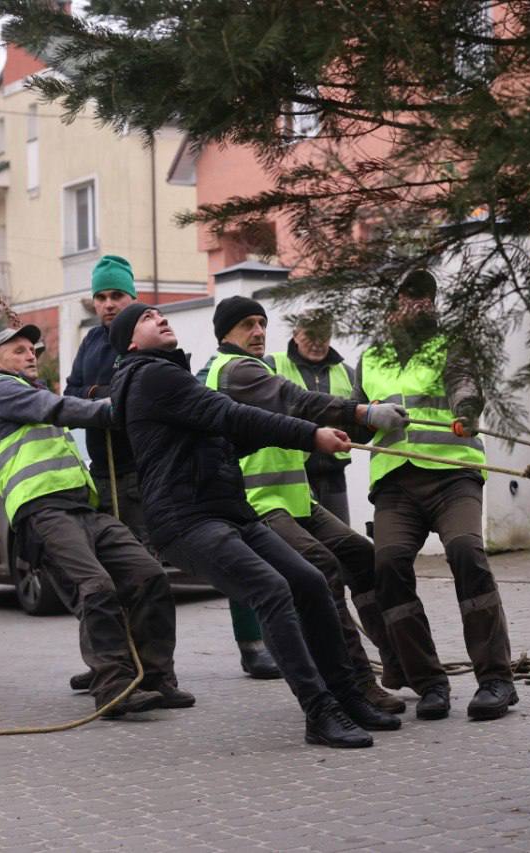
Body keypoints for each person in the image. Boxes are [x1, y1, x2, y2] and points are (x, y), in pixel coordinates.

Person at [107, 302, 401, 747]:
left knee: (310, 581)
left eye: (159, 313)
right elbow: (232, 416)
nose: (160, 318)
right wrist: (311, 434)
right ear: (130, 343)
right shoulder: (151, 375)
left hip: (227, 511)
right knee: (272, 589)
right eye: (147, 318)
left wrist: (301, 433)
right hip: (186, 520)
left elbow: (226, 438)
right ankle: (320, 711)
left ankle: (348, 695)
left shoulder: (168, 377)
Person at [63, 255, 279, 686]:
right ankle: (111, 662)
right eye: (101, 297)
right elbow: (71, 393)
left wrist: (106, 398)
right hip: (105, 476)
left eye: (117, 295)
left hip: (147, 475)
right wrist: (98, 397)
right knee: (106, 575)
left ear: (133, 298)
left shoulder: (149, 342)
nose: (108, 304)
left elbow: (144, 395)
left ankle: (192, 660)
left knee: (153, 573)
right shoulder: (90, 343)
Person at [0, 324, 190, 718]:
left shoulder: (30, 393)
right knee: (96, 588)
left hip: (81, 509)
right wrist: (110, 409)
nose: (30, 355)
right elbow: (60, 408)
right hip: (43, 512)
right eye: (18, 350)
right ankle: (114, 689)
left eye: (32, 350)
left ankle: (155, 678)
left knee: (149, 575)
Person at [206, 296, 407, 713]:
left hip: (297, 496)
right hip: (256, 503)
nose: (258, 332)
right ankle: (354, 683)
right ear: (225, 333)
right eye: (247, 324)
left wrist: (364, 421)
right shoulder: (235, 370)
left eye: (262, 323)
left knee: (360, 555)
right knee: (321, 569)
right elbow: (296, 400)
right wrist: (365, 412)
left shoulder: (263, 367)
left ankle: (398, 660)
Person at [354, 270, 517, 721]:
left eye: (427, 296)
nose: (421, 303)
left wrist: (467, 411)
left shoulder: (451, 345)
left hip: (452, 475)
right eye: (410, 295)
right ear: (390, 306)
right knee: (388, 565)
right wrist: (360, 419)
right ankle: (428, 682)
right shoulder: (370, 358)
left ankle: (496, 679)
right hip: (395, 483)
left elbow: (465, 385)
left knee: (466, 552)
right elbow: (356, 416)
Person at [269, 312, 355, 524]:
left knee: (342, 537)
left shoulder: (347, 373)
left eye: (323, 336)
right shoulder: (271, 365)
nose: (317, 342)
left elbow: (359, 421)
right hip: (291, 474)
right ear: (295, 335)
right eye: (310, 335)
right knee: (301, 537)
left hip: (333, 474)